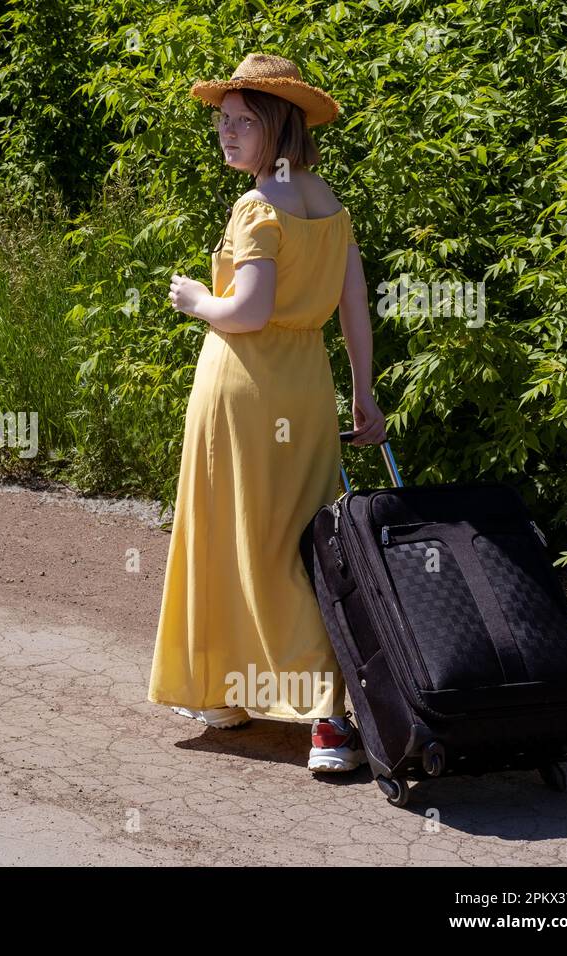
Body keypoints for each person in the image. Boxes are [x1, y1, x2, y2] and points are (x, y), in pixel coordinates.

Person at [147, 53, 387, 773]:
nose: (225, 133)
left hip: (244, 390)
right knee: (304, 544)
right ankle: (324, 721)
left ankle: (231, 696)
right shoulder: (329, 203)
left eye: (241, 121)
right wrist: (364, 393)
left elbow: (246, 313)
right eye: (222, 121)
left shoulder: (258, 204)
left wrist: (196, 302)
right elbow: (355, 311)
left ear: (276, 124)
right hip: (306, 391)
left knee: (229, 533)